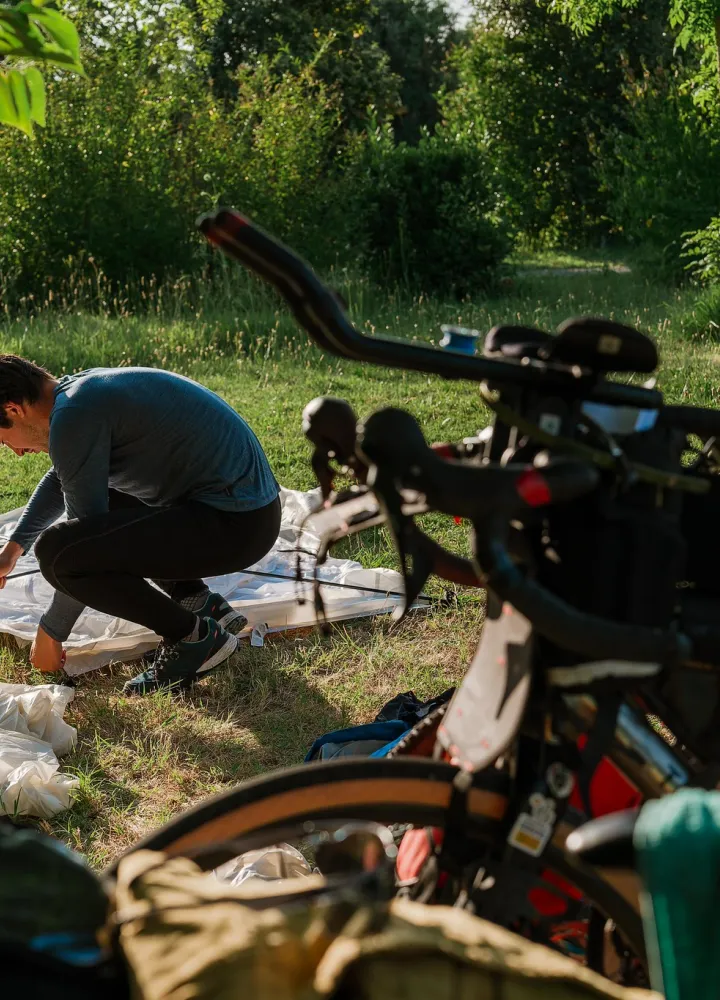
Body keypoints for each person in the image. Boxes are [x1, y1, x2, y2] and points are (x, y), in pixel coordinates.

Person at [0, 356, 281, 695]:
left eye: (4, 440)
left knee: (58, 554)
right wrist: (11, 551)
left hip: (235, 526)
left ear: (13, 409)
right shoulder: (79, 394)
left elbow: (81, 549)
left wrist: (50, 633)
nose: (15, 452)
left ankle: (192, 638)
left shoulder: (75, 416)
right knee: (89, 520)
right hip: (249, 515)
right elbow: (66, 473)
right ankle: (198, 602)